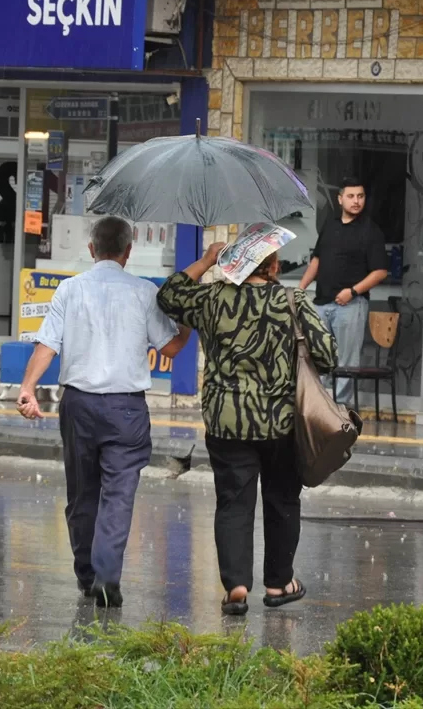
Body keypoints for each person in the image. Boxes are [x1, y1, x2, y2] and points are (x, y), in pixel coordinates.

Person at [16, 216, 191, 608]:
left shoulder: (70, 290)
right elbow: (172, 349)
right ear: (128, 252)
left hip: (78, 405)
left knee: (82, 494)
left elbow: (47, 344)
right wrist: (187, 324)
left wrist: (27, 388)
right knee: (118, 495)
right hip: (126, 410)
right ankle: (107, 577)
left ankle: (87, 575)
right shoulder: (144, 292)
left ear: (92, 250)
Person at [158, 239, 336, 616]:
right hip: (282, 422)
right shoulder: (293, 301)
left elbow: (169, 295)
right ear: (271, 268)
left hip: (226, 421)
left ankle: (236, 585)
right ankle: (278, 582)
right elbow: (327, 354)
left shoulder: (210, 299)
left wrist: (205, 260)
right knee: (282, 500)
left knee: (234, 503)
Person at [298, 177, 388, 404]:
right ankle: (318, 407)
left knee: (346, 363)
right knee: (317, 357)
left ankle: (339, 410)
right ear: (340, 199)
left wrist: (353, 291)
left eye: (360, 196)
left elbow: (380, 272)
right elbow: (317, 260)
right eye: (351, 196)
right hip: (320, 304)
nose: (356, 201)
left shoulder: (371, 230)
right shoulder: (330, 224)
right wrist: (300, 288)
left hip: (350, 305)